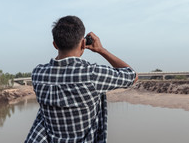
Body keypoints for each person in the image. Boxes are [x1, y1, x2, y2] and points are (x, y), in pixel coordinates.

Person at [25, 15, 137, 143]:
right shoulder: (92, 75)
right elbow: (132, 75)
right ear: (84, 43)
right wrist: (101, 50)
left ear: (55, 45)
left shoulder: (38, 74)